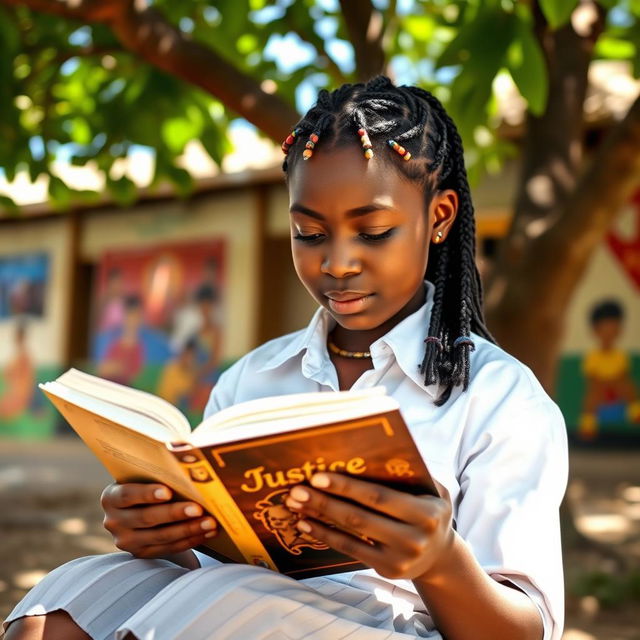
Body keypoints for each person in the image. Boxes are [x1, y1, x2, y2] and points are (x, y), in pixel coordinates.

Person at [4, 77, 567, 640]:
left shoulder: (501, 400)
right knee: (62, 605)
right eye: (309, 233)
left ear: (440, 217)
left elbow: (523, 630)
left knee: (226, 601)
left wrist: (439, 559)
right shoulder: (253, 377)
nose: (338, 263)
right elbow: (213, 569)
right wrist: (163, 532)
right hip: (230, 600)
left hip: (394, 626)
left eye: (373, 232)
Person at [579, 299, 640, 439]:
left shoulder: (620, 356)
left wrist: (615, 383)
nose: (609, 334)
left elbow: (624, 375)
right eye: (605, 329)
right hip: (600, 390)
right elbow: (592, 378)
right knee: (591, 396)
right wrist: (605, 384)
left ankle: (635, 411)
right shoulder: (592, 357)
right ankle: (588, 424)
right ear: (596, 331)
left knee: (627, 386)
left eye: (614, 329)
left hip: (617, 388)